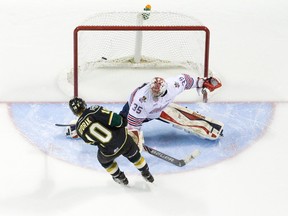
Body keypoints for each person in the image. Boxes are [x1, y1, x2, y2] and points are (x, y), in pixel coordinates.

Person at [118, 74, 223, 147]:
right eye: (152, 91)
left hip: (161, 108)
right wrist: (134, 140)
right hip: (141, 113)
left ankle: (209, 127)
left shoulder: (173, 85)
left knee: (183, 119)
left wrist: (203, 82)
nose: (153, 94)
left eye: (156, 93)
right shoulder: (141, 100)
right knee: (120, 125)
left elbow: (186, 80)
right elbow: (134, 124)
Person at [68, 97, 154, 185]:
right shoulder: (94, 110)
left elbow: (93, 142)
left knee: (104, 161)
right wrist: (123, 122)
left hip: (108, 152)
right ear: (83, 104)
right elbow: (115, 119)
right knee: (133, 154)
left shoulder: (79, 129)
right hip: (124, 140)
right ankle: (146, 173)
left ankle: (119, 177)